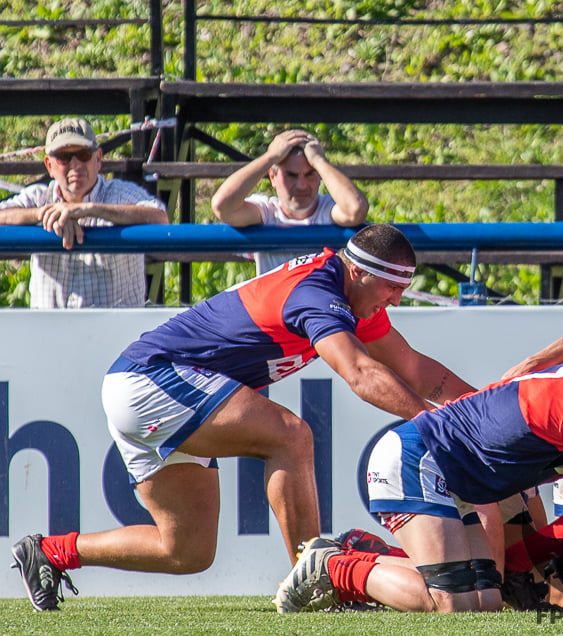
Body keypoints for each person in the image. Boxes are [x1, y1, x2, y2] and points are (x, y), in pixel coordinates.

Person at [9, 224, 474, 612]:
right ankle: (315, 578)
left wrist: (484, 407)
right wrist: (433, 422)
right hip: (152, 379)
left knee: (186, 550)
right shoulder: (318, 290)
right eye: (391, 287)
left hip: (141, 385)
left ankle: (50, 552)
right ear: (356, 271)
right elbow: (359, 373)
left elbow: (413, 368)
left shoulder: (348, 292)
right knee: (291, 436)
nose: (395, 300)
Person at [271, 342, 563, 614]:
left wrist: (529, 363)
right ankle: (335, 566)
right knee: (449, 606)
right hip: (417, 459)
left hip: (454, 476)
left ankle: (360, 556)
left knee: (485, 607)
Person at [0, 117, 168, 308]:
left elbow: (160, 218)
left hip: (116, 330)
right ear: (49, 165)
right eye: (64, 157)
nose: (75, 164)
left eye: (83, 154)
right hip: (49, 330)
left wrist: (89, 209)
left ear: (98, 159)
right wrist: (43, 214)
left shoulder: (120, 193)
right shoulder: (39, 198)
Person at [211, 129, 369, 274]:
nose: (302, 186)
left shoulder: (328, 208)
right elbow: (222, 206)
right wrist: (270, 157)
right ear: (272, 177)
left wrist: (319, 161)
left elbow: (356, 209)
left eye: (310, 174)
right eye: (291, 176)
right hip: (277, 305)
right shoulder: (267, 211)